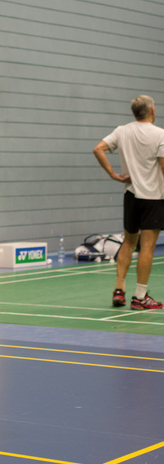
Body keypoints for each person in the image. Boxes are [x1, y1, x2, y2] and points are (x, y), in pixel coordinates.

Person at [93, 94, 164, 310]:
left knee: (128, 242)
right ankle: (140, 297)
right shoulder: (160, 134)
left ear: (134, 113)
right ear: (152, 111)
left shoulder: (122, 131)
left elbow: (98, 149)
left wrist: (113, 174)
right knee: (147, 247)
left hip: (131, 195)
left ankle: (119, 289)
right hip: (153, 197)